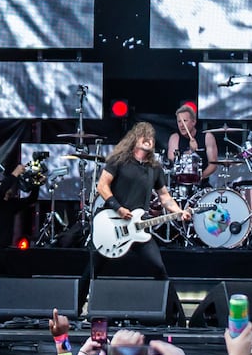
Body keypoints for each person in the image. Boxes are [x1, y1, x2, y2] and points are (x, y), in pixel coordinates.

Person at [93, 122, 191, 279]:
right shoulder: (118, 161)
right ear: (134, 138)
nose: (148, 139)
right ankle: (76, 303)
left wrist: (179, 211)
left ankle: (171, 304)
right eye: (144, 135)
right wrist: (118, 208)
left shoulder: (155, 168)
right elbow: (102, 185)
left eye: (151, 136)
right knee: (92, 270)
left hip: (138, 227)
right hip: (113, 224)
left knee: (159, 269)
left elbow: (165, 197)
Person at [165, 104, 218, 188]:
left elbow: (213, 164)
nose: (181, 125)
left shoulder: (207, 137)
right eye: (179, 121)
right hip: (179, 185)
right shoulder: (175, 138)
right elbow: (172, 163)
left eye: (184, 121)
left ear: (193, 122)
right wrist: (191, 151)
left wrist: (199, 178)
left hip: (201, 184)